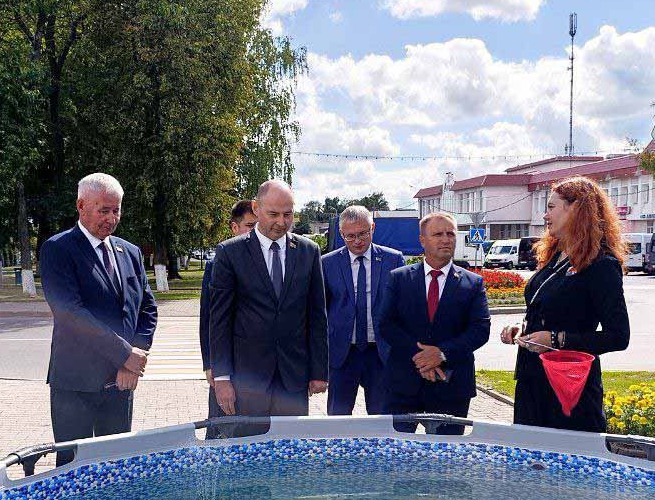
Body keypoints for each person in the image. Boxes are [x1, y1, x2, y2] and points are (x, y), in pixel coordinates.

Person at [501, 175, 629, 432]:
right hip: (532, 382)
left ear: (576, 209)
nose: (545, 215)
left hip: (569, 389)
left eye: (551, 207)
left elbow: (618, 337)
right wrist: (523, 329)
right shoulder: (555, 256)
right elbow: (548, 308)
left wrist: (556, 339)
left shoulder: (601, 265)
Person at [39, 172, 157, 448]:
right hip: (76, 385)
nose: (112, 219)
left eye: (117, 211)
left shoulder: (130, 252)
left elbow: (147, 308)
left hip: (121, 382)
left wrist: (133, 360)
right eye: (104, 210)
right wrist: (124, 354)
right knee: (74, 464)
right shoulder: (58, 249)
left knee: (116, 462)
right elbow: (70, 313)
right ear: (81, 206)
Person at [209, 179, 328, 422]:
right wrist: (221, 378)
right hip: (247, 380)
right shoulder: (229, 253)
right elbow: (219, 320)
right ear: (256, 208)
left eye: (288, 214)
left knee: (291, 444)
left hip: (293, 379)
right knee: (249, 444)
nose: (281, 222)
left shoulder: (309, 251)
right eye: (273, 214)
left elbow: (317, 316)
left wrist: (319, 371)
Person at [376, 212, 491, 431]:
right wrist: (422, 358)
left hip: (451, 386)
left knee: (446, 451)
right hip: (403, 384)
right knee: (396, 450)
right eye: (438, 234)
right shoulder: (399, 278)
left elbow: (480, 330)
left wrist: (441, 354)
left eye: (450, 234)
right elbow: (386, 324)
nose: (445, 239)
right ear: (422, 240)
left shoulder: (473, 283)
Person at [322, 205, 404, 415]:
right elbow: (321, 310)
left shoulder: (393, 260)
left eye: (362, 234)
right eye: (350, 236)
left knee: (381, 418)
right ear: (341, 234)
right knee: (337, 417)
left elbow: (403, 309)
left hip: (380, 353)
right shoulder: (327, 263)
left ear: (372, 228)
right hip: (342, 354)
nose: (357, 241)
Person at [200, 199, 257, 433]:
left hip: (260, 367)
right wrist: (210, 364)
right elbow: (208, 318)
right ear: (234, 227)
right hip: (228, 363)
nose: (256, 231)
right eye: (250, 226)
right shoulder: (217, 264)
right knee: (223, 430)